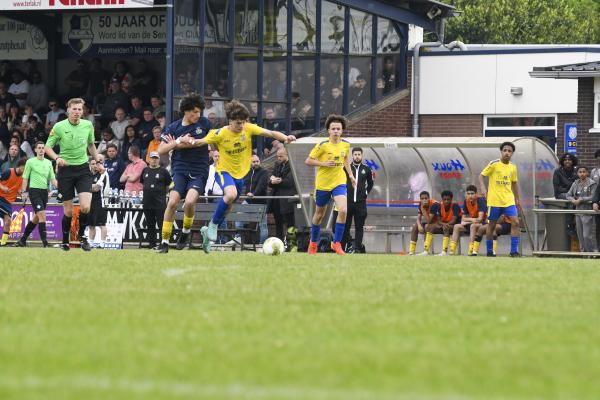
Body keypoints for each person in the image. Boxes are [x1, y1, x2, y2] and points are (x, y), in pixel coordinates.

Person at [175, 100, 295, 253]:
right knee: (230, 194)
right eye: (238, 123)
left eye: (243, 122)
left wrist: (285, 138)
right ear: (230, 121)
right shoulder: (220, 133)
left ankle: (207, 233)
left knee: (229, 206)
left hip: (240, 175)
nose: (241, 126)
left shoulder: (248, 128)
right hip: (224, 171)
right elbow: (200, 142)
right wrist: (185, 140)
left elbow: (270, 133)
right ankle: (212, 226)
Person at [155, 95, 212, 253]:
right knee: (172, 202)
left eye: (199, 111)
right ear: (186, 112)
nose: (198, 115)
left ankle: (185, 232)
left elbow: (213, 139)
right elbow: (160, 150)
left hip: (200, 170)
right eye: (194, 112)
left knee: (189, 202)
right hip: (180, 169)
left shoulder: (205, 123)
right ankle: (165, 242)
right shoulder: (173, 128)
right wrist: (179, 141)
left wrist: (214, 152)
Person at [45, 97, 97, 251]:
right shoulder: (59, 126)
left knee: (86, 207)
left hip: (83, 169)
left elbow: (91, 144)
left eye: (79, 109)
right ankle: (65, 239)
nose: (77, 112)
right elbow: (48, 147)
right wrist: (57, 158)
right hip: (65, 170)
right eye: (74, 109)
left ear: (83, 111)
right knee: (68, 211)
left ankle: (82, 237)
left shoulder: (88, 125)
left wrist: (97, 161)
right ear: (68, 110)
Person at [304, 114, 355, 255]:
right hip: (323, 184)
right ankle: (313, 243)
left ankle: (336, 243)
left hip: (339, 182)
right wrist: (323, 163)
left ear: (342, 130)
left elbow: (345, 159)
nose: (336, 131)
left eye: (338, 128)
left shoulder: (346, 144)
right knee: (319, 214)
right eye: (333, 128)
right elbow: (308, 161)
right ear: (328, 130)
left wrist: (351, 176)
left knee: (343, 210)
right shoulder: (322, 146)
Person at [479, 141, 521, 257]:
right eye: (505, 150)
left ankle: (513, 251)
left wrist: (517, 198)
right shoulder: (494, 164)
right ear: (501, 152)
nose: (507, 153)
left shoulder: (513, 167)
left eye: (509, 151)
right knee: (491, 225)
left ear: (512, 153)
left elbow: (514, 183)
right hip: (494, 201)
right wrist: (483, 188)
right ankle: (489, 251)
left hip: (508, 200)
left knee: (516, 222)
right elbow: (481, 175)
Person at [15, 142, 57, 247]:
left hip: (44, 193)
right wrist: (24, 192)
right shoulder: (30, 162)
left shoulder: (48, 163)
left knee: (37, 217)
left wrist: (62, 189)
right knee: (42, 215)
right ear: (35, 150)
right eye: (39, 148)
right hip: (34, 191)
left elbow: (53, 179)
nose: (41, 150)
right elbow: (25, 178)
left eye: (43, 148)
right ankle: (45, 243)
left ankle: (22, 240)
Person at [341, 147, 374, 253]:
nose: (357, 156)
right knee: (346, 226)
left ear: (362, 155)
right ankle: (344, 247)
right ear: (352, 155)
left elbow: (370, 183)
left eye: (359, 154)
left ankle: (357, 248)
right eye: (355, 154)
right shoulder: (346, 167)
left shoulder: (367, 169)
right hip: (348, 202)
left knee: (359, 227)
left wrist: (365, 193)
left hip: (360, 203)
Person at [141, 151, 171, 250]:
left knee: (161, 223)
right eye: (152, 158)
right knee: (150, 224)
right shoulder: (145, 170)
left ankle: (163, 243)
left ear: (159, 159)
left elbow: (169, 184)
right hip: (147, 202)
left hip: (159, 202)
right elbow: (142, 182)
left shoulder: (164, 171)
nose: (154, 160)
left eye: (156, 158)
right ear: (149, 159)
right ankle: (152, 244)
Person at [417, 190, 461, 256]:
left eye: (448, 199)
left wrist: (444, 224)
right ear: (442, 199)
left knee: (445, 228)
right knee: (429, 227)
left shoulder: (455, 205)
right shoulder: (440, 205)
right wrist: (443, 224)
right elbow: (439, 220)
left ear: (451, 199)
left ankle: (444, 251)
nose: (446, 201)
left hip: (454, 226)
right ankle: (426, 251)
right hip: (444, 225)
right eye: (444, 199)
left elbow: (454, 221)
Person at [566, 165, 597, 252]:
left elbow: (594, 196)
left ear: (587, 173)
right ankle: (583, 253)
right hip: (578, 211)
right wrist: (572, 200)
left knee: (586, 235)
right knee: (580, 235)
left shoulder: (592, 183)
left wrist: (582, 199)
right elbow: (568, 195)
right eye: (580, 172)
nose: (582, 174)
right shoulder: (575, 183)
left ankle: (590, 252)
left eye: (584, 172)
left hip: (587, 212)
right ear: (577, 173)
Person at [448, 185, 486, 256]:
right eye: (468, 194)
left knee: (473, 226)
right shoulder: (466, 201)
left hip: (483, 224)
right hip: (473, 223)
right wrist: (471, 220)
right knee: (456, 226)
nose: (470, 196)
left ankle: (471, 250)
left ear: (476, 194)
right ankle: (452, 250)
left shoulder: (480, 200)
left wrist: (467, 221)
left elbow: (480, 219)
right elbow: (463, 218)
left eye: (472, 194)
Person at [268, 148, 297, 244]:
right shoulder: (277, 165)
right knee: (278, 222)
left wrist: (277, 180)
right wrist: (273, 181)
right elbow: (270, 181)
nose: (278, 158)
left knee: (290, 222)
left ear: (287, 155)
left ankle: (291, 243)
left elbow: (289, 182)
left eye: (281, 156)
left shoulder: (292, 165)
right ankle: (278, 241)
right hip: (276, 198)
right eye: (277, 156)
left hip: (287, 198)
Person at [243, 154, 269, 244]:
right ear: (250, 163)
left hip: (260, 202)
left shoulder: (264, 172)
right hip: (248, 201)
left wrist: (253, 194)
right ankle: (239, 237)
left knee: (263, 225)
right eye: (254, 162)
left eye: (257, 161)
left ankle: (262, 245)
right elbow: (245, 184)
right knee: (238, 216)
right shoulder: (249, 172)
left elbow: (261, 186)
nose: (256, 163)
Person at [0, 158, 26, 246]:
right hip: (1, 198)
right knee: (7, 220)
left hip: (8, 202)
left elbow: (18, 189)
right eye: (24, 168)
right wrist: (3, 188)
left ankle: (3, 243)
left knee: (8, 221)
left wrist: (22, 194)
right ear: (20, 166)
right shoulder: (8, 172)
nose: (25, 170)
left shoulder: (23, 177)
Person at [88, 156, 109, 248]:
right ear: (89, 165)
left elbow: (96, 188)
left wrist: (86, 186)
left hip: (100, 202)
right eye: (92, 164)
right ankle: (90, 244)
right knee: (91, 225)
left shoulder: (103, 174)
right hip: (89, 202)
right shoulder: (87, 175)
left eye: (96, 164)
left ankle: (102, 244)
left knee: (102, 225)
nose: (95, 166)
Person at [409, 191, 436, 255]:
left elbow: (429, 220)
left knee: (427, 226)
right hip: (429, 224)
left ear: (429, 198)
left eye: (426, 198)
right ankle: (411, 251)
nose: (424, 200)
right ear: (420, 199)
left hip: (437, 224)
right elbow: (418, 218)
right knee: (415, 226)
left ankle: (426, 251)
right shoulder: (420, 204)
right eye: (422, 198)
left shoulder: (434, 204)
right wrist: (419, 226)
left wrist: (423, 209)